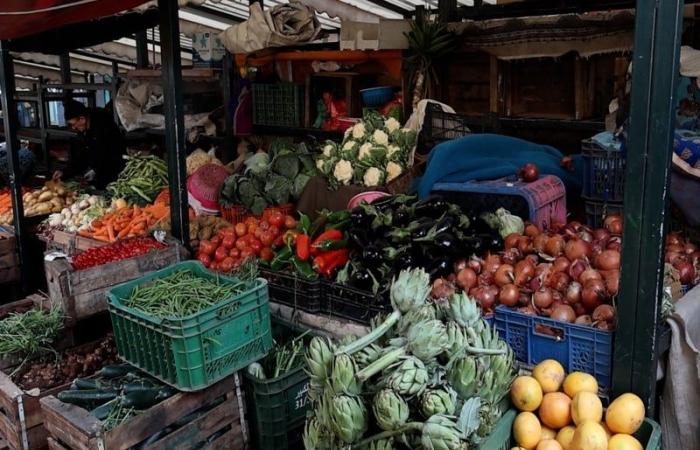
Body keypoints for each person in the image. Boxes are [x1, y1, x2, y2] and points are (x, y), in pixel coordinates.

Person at [53, 100, 126, 190]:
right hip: (100, 172)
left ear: (82, 119)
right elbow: (81, 156)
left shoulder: (104, 126)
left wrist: (95, 169)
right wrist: (64, 172)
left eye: (73, 124)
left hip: (115, 171)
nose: (73, 127)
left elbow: (109, 153)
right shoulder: (83, 130)